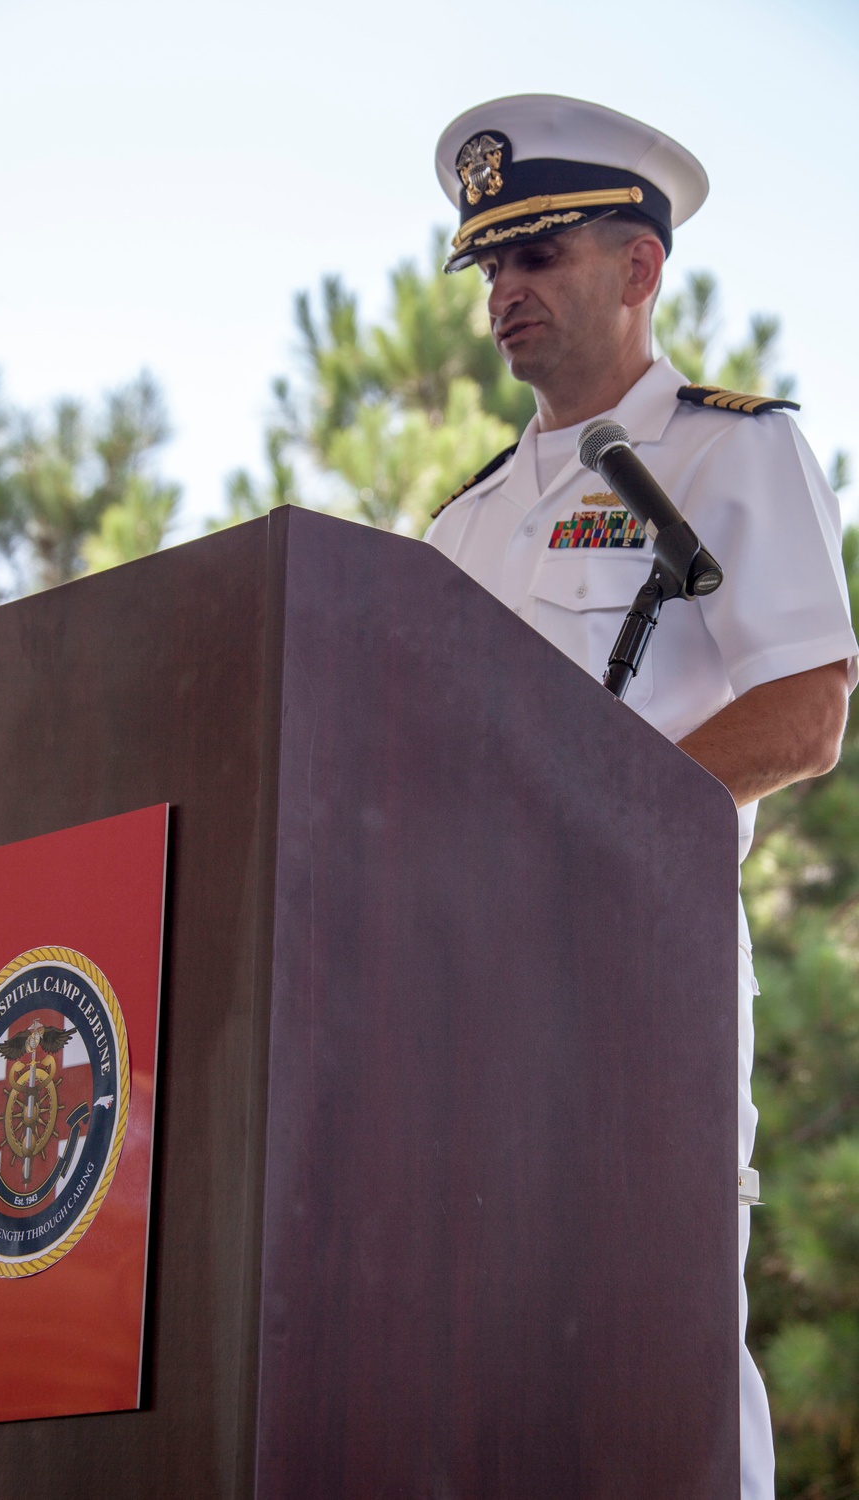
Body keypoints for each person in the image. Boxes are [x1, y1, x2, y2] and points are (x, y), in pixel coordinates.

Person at [424, 94, 858, 1500]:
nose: (506, 291)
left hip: (637, 962)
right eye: (491, 264)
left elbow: (806, 710)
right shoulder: (460, 523)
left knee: (649, 1326)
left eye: (540, 255)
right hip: (457, 983)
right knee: (467, 1337)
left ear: (639, 267)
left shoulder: (732, 453)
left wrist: (598, 821)